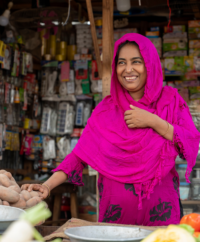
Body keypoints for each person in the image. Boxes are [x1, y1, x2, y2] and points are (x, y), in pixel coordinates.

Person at [22, 33, 200, 226]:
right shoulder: (106, 110)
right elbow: (80, 155)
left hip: (161, 216)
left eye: (136, 61)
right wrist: (47, 186)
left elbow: (189, 142)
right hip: (115, 219)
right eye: (122, 62)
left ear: (150, 64)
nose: (128, 69)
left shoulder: (170, 101)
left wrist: (154, 121)